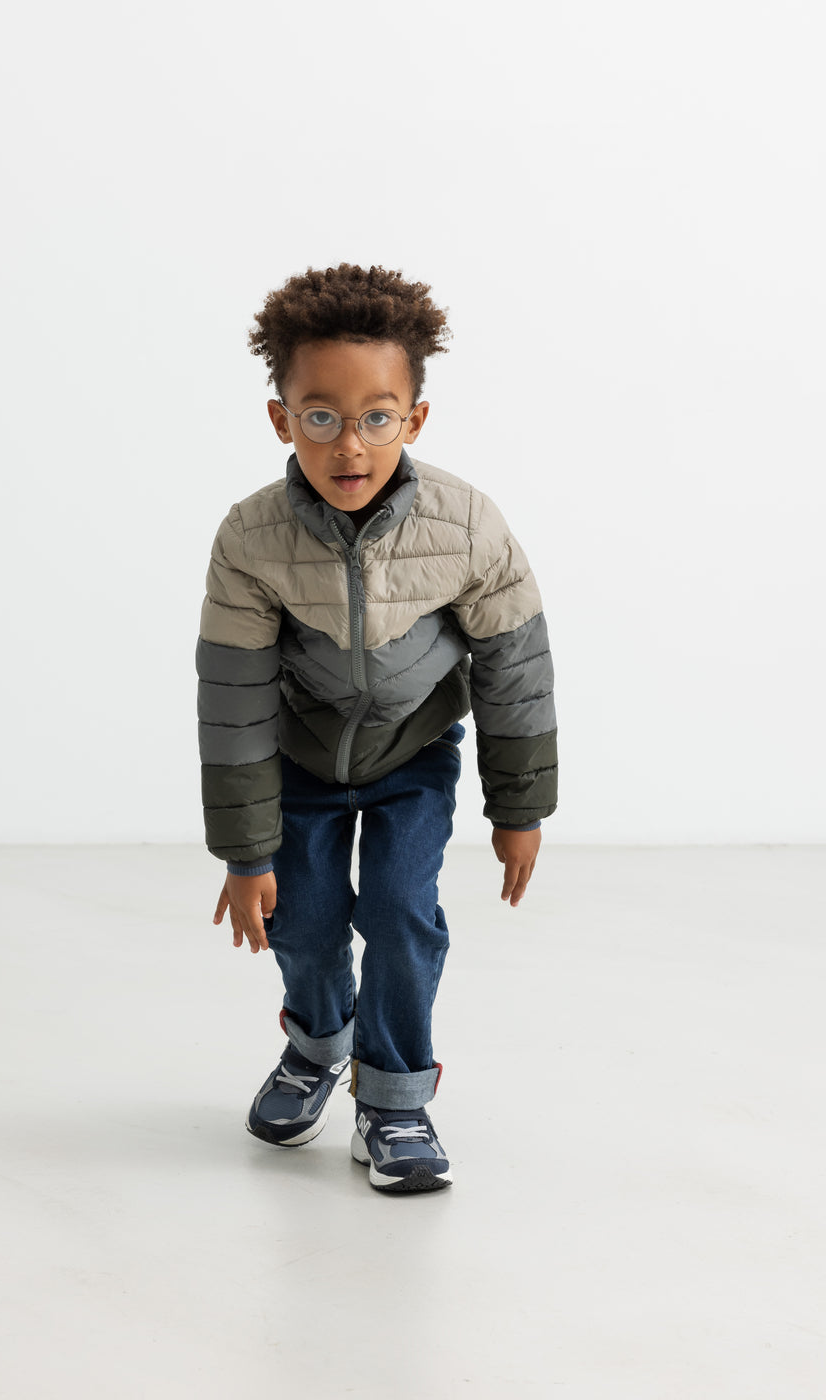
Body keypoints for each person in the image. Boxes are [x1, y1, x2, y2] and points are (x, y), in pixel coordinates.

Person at [196, 264, 558, 1193]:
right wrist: (245, 852)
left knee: (400, 913)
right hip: (300, 760)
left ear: (415, 419)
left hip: (413, 758)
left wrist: (519, 808)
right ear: (281, 418)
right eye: (321, 417)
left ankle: (394, 1098)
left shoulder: (467, 527)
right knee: (306, 920)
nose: (349, 445)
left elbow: (514, 667)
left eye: (377, 417)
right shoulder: (252, 539)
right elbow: (234, 696)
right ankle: (318, 1043)